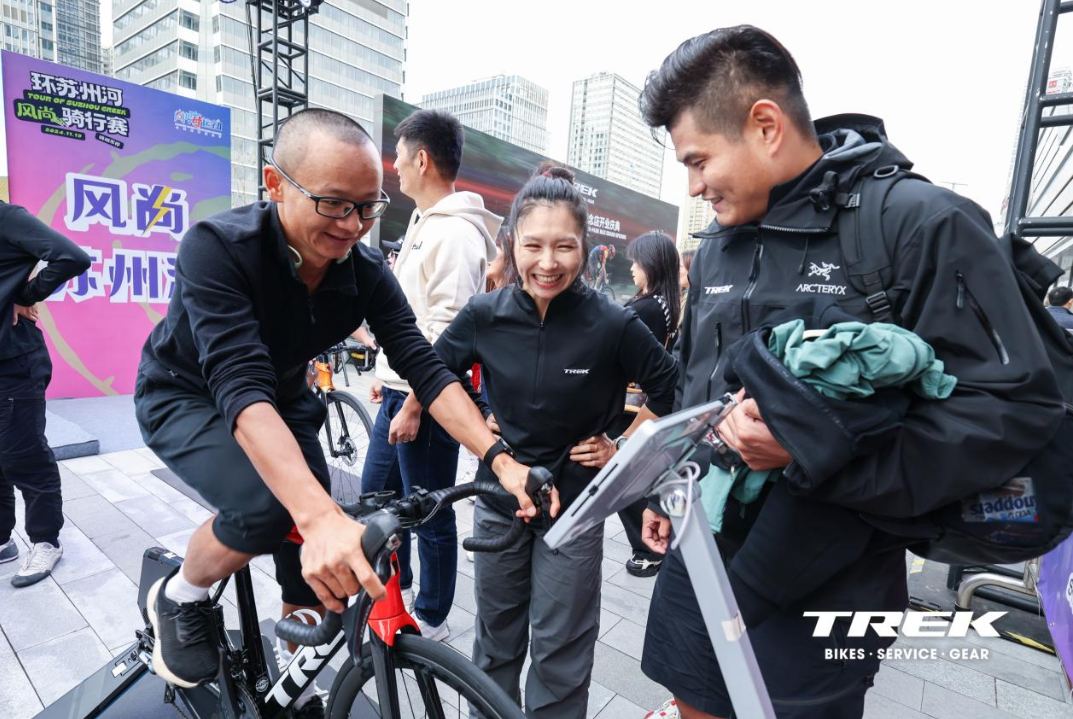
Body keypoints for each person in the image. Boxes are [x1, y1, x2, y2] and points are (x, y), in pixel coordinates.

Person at [636, 26, 1063, 719]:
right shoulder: (715, 245)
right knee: (693, 703)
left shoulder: (919, 224)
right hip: (702, 553)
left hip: (831, 579)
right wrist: (669, 486)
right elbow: (698, 386)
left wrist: (813, 449)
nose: (693, 185)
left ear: (765, 125)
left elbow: (1012, 411)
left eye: (699, 160)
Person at [134, 109, 537, 712]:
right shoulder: (217, 248)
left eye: (368, 207)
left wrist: (500, 460)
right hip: (186, 394)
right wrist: (318, 515)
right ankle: (179, 595)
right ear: (276, 185)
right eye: (333, 204)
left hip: (284, 400)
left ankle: (292, 681)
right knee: (272, 508)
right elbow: (239, 384)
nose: (353, 225)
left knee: (316, 569)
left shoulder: (365, 271)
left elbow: (426, 368)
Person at [401, 165, 677, 719]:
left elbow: (673, 387)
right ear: (512, 244)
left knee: (562, 651)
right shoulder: (485, 314)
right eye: (533, 245)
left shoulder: (612, 322)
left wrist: (621, 446)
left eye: (564, 246)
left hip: (575, 508)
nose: (547, 262)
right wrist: (481, 417)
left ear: (585, 248)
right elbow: (434, 372)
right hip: (499, 499)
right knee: (495, 642)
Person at [363, 109, 502, 641]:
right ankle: (392, 595)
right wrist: (387, 374)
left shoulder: (457, 234)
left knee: (429, 511)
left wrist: (416, 403)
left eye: (399, 157)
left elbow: (449, 332)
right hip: (400, 394)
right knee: (377, 501)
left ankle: (433, 617)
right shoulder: (426, 223)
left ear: (421, 159)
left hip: (426, 401)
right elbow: (412, 318)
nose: (395, 167)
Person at [0, 147, 90, 587]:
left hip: (13, 362)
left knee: (23, 455)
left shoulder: (6, 218)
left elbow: (72, 256)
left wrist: (26, 294)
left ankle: (46, 540)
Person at [609, 230, 680, 577]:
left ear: (650, 264)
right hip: (643, 403)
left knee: (624, 477)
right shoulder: (665, 304)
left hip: (632, 407)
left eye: (636, 262)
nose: (632, 268)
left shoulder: (646, 307)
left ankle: (648, 547)